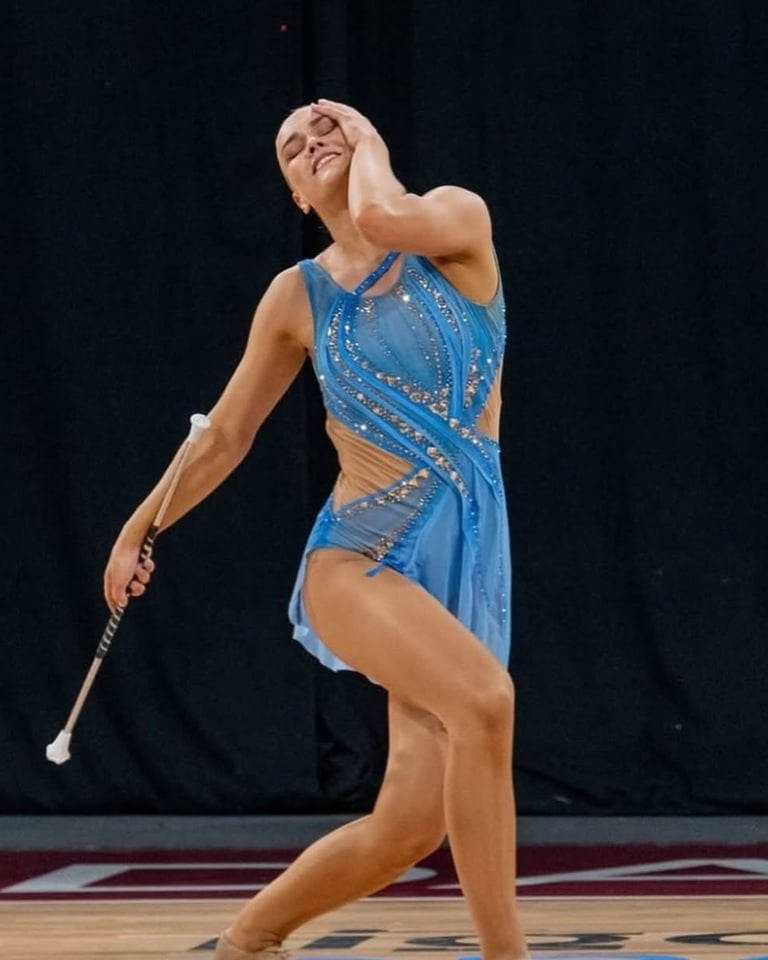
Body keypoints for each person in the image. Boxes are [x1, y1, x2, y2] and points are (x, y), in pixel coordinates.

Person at [104, 99, 528, 960]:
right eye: (292, 149)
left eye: (324, 129)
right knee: (486, 703)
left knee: (409, 826)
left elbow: (380, 215)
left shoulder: (455, 222)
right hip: (357, 557)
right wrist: (136, 530)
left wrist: (366, 146)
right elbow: (223, 436)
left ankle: (250, 937)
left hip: (465, 560)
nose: (310, 145)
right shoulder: (296, 296)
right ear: (295, 196)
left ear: (368, 138)